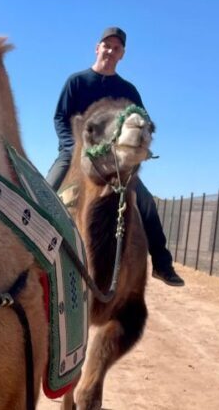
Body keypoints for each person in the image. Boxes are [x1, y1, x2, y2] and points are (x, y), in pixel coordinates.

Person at [46, 26, 185, 287]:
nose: (110, 50)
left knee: (145, 202)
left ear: (122, 54)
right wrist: (72, 147)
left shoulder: (128, 91)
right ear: (97, 48)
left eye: (117, 48)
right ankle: (29, 252)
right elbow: (59, 118)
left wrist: (138, 141)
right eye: (106, 45)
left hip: (113, 162)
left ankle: (162, 264)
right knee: (46, 191)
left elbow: (143, 120)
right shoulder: (76, 82)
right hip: (76, 154)